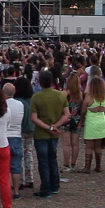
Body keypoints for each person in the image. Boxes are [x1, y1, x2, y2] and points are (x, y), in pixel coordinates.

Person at [30, 70, 70, 198]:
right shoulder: (60, 96)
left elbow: (34, 118)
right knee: (52, 159)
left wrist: (48, 127)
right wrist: (55, 126)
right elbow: (67, 114)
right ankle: (54, 185)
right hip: (54, 132)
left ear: (40, 82)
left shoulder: (36, 97)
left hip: (41, 133)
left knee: (43, 161)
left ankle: (45, 187)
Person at [80, 75, 105, 174]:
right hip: (101, 120)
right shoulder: (104, 97)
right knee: (98, 146)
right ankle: (98, 166)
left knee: (89, 146)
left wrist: (80, 122)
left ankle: (87, 167)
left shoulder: (89, 97)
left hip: (91, 121)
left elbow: (83, 111)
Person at [3, 83, 25, 200]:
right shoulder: (20, 104)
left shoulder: (2, 105)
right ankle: (16, 191)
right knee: (16, 166)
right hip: (16, 136)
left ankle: (3, 190)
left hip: (4, 136)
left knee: (2, 167)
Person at [14, 77, 36, 189]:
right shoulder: (32, 100)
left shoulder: (17, 101)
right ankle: (30, 178)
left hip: (20, 130)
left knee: (20, 155)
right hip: (31, 129)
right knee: (29, 153)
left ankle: (20, 180)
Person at [61, 74, 82, 172]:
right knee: (75, 143)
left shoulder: (64, 93)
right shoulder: (80, 94)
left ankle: (66, 164)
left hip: (66, 119)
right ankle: (73, 163)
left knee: (66, 144)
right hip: (77, 119)